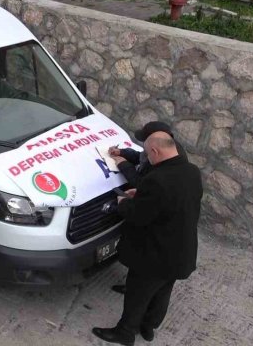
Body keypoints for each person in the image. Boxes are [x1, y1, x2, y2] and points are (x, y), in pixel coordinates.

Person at [92, 132, 203, 345]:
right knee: (162, 291)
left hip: (155, 253)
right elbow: (171, 202)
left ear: (155, 151)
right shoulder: (191, 171)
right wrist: (143, 195)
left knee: (138, 293)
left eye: (147, 153)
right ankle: (148, 327)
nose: (146, 158)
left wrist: (123, 203)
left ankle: (125, 333)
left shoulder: (157, 179)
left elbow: (139, 215)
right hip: (181, 251)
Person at [108, 121, 187, 295]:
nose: (144, 146)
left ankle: (134, 305)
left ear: (155, 145)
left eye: (146, 141)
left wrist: (122, 164)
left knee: (144, 281)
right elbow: (141, 156)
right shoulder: (163, 149)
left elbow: (143, 184)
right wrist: (122, 153)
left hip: (156, 238)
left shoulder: (166, 166)